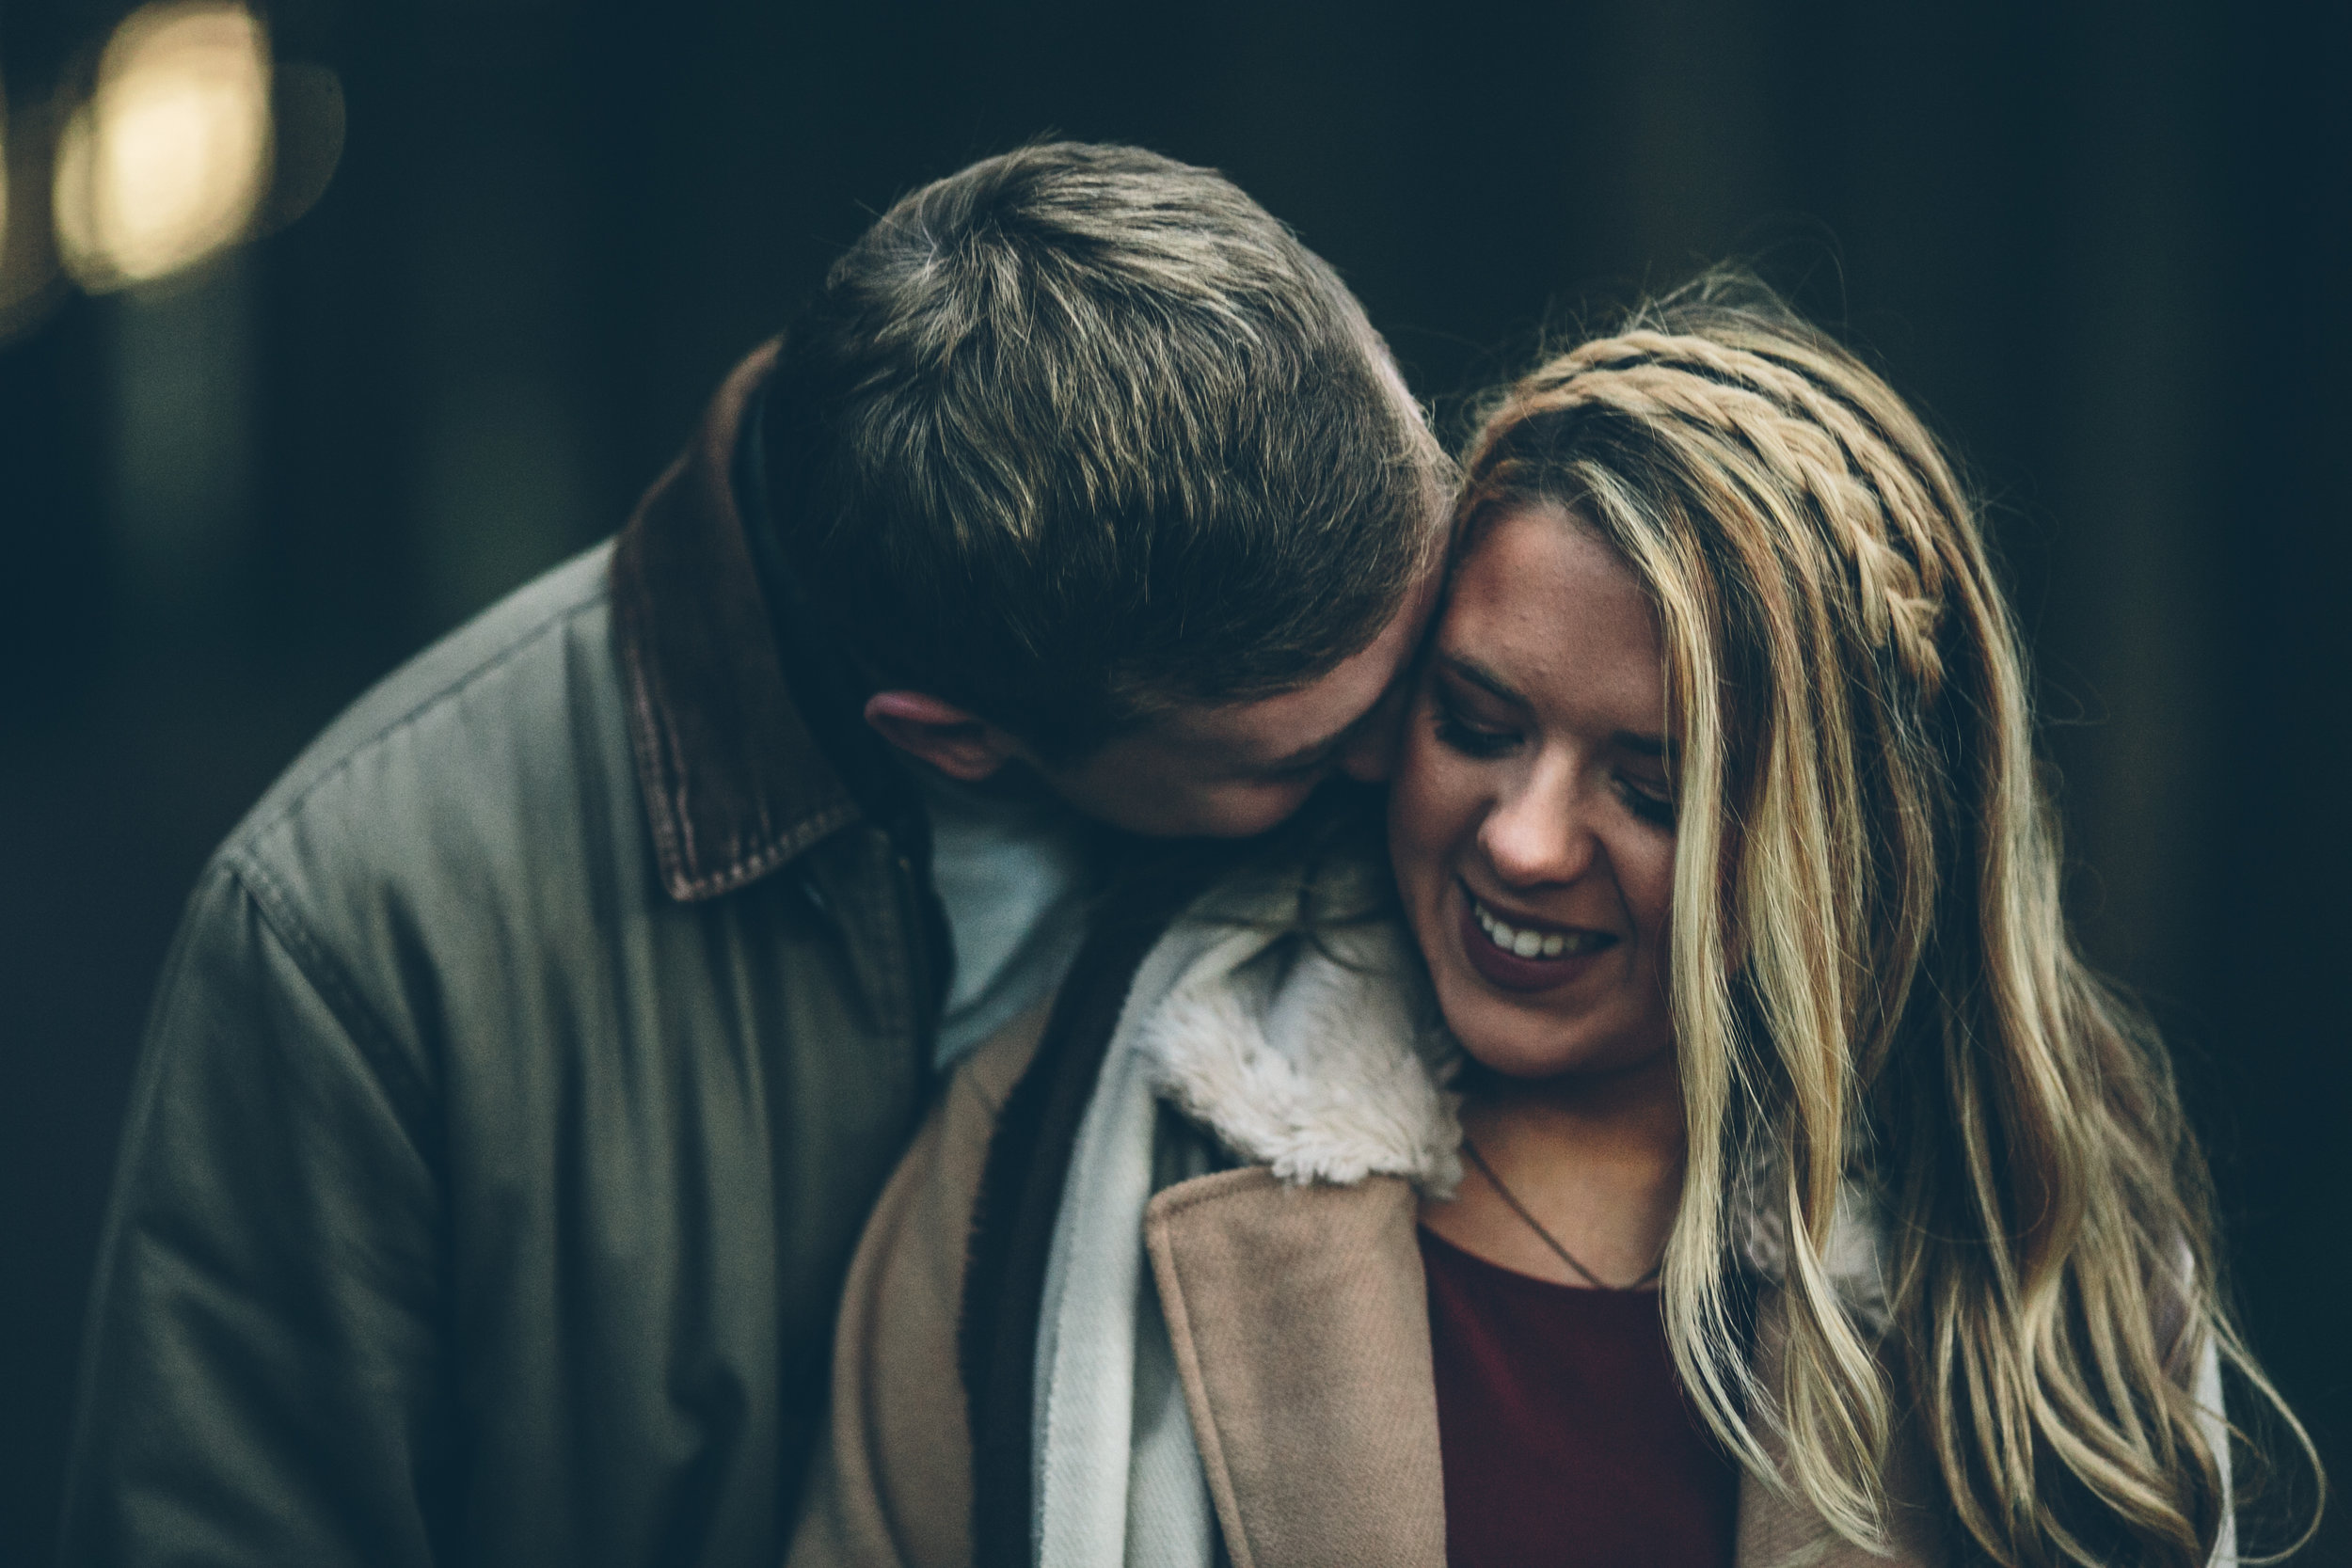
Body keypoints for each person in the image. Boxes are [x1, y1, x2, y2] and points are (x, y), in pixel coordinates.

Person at [57, 142, 1450, 1568]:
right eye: (1296, 754)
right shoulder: (357, 924)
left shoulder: (1453, 746)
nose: (1411, 763)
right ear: (954, 739)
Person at [793, 277, 2317, 1568]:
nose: (1521, 842)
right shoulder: (1080, 1125)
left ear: (1846, 847)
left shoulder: (2036, 1258)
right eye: (1475, 720)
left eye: (1656, 789)